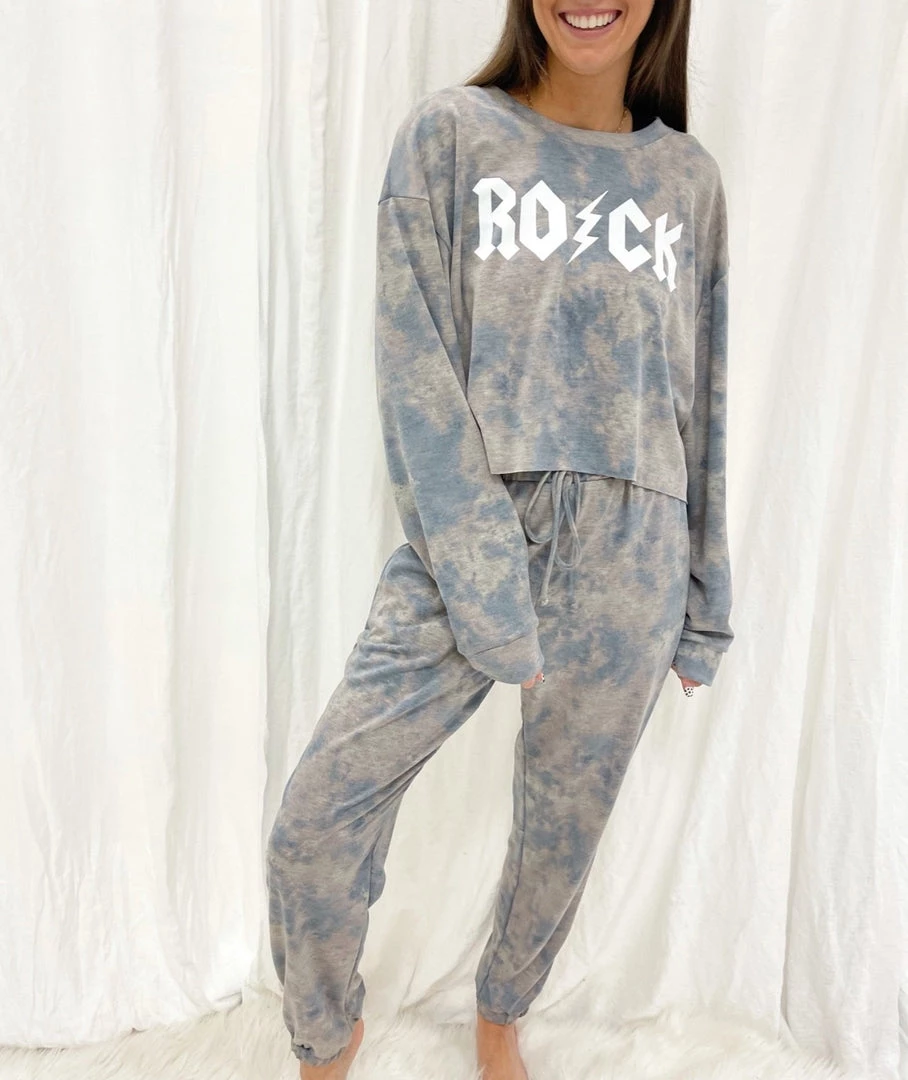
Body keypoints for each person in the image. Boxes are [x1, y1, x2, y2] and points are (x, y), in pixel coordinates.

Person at [266, 0, 735, 1076]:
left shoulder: (687, 181)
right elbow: (413, 370)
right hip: (469, 526)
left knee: (563, 827)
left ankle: (500, 1020)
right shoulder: (451, 136)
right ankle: (325, 1041)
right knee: (315, 822)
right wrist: (484, 583)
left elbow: (702, 397)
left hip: (633, 554)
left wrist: (703, 600)